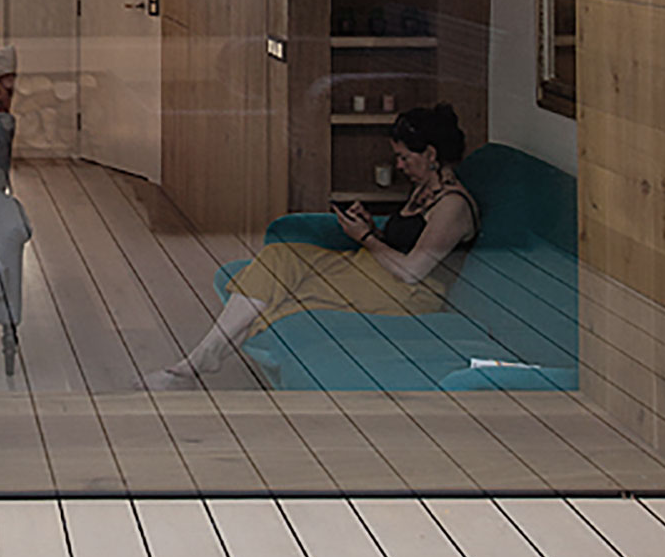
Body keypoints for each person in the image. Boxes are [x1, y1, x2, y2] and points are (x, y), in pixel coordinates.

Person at [148, 103, 478, 386]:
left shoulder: (453, 205)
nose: (399, 166)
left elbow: (412, 270)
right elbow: (403, 244)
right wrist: (370, 231)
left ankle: (190, 368)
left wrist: (363, 238)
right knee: (281, 257)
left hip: (407, 293)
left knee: (294, 296)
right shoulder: (425, 188)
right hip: (373, 268)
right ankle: (201, 358)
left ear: (431, 154)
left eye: (405, 158)